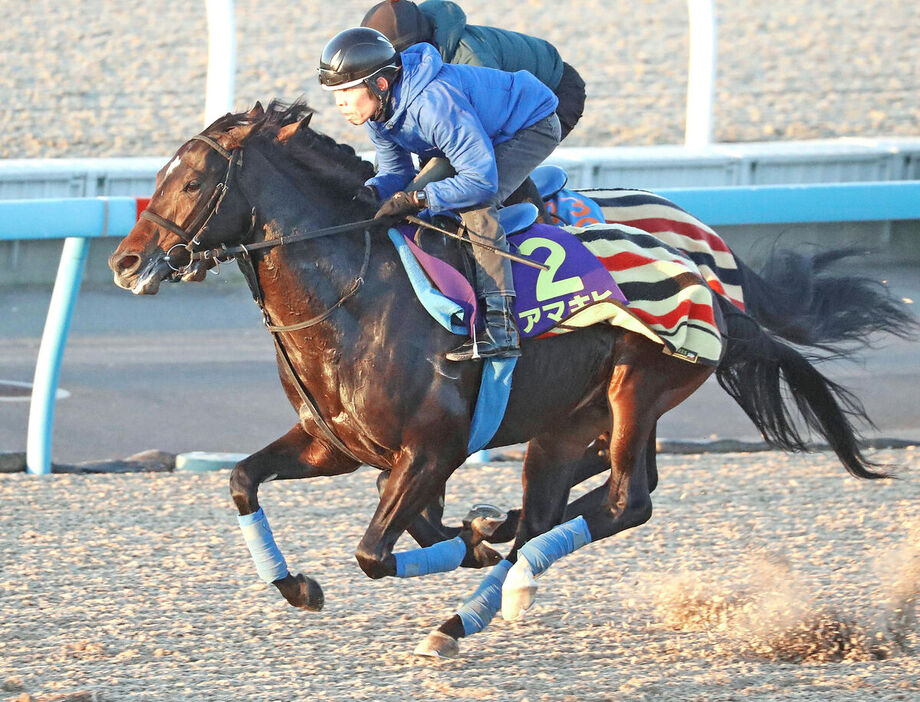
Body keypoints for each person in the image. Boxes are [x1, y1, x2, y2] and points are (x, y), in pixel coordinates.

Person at [318, 27, 561, 361]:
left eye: (346, 90)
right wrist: (370, 195)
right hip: (476, 132)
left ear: (381, 84)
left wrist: (419, 199)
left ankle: (500, 326)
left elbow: (480, 182)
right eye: (335, 93)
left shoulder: (433, 105)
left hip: (529, 125)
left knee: (474, 206)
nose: (340, 102)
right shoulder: (377, 113)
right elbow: (396, 174)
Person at [360, 0, 586, 140]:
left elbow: (485, 133)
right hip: (518, 90)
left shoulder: (468, 60)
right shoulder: (426, 56)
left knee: (499, 161)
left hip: (557, 91)